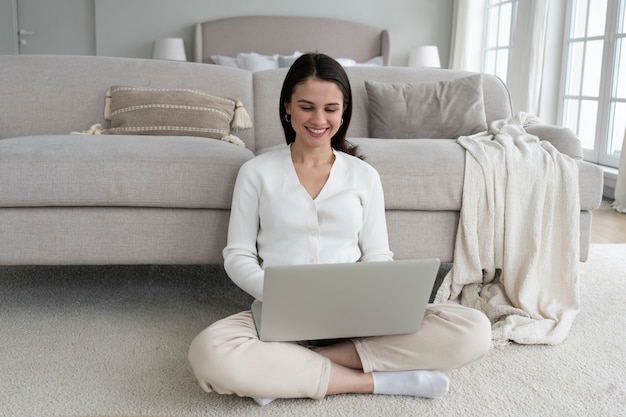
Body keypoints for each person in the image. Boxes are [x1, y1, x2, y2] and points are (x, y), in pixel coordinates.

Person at [188, 53, 491, 406]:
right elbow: (238, 255)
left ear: (344, 111)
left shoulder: (364, 176)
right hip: (279, 315)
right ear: (287, 107)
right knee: (208, 353)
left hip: (356, 317)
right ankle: (377, 381)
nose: (319, 120)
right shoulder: (256, 172)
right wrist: (277, 294)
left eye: (331, 108)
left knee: (474, 330)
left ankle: (286, 370)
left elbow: (378, 255)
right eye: (306, 107)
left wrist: (374, 301)